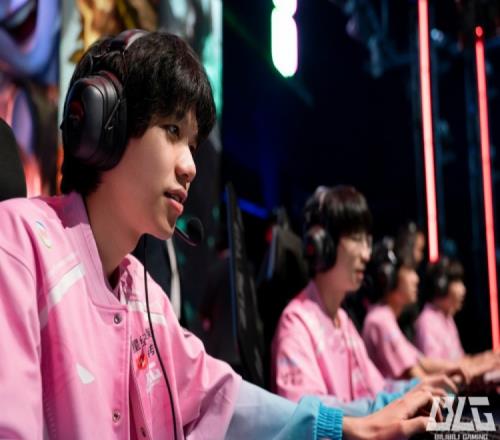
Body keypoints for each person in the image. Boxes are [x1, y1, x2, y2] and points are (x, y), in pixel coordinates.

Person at [0, 30, 444, 439]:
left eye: (192, 144)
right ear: (105, 124)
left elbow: (220, 398)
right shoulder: (19, 243)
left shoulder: (145, 296)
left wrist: (345, 427)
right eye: (172, 131)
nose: (190, 166)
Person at [271, 186, 454, 416]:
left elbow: (376, 389)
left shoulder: (343, 321)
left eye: (367, 241)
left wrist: (417, 389)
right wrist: (399, 401)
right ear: (321, 244)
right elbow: (307, 417)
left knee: (473, 422)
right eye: (356, 239)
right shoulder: (296, 324)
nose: (366, 254)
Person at [362, 239, 467, 382]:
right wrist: (458, 377)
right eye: (410, 271)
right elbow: (415, 375)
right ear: (390, 277)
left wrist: (471, 366)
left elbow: (421, 362)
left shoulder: (385, 317)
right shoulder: (380, 320)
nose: (416, 279)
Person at [415, 257, 500, 376]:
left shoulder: (447, 318)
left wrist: (486, 358)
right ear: (441, 286)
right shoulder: (427, 322)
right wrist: (483, 364)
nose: (463, 289)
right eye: (457, 282)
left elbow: (459, 360)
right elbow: (438, 369)